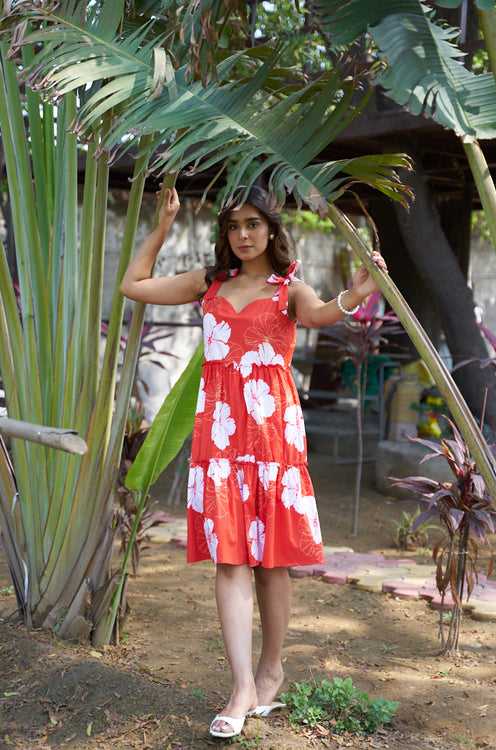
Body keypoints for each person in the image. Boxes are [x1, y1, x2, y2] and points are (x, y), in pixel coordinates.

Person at [120, 184, 388, 739]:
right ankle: (242, 685)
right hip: (219, 439)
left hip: (272, 438)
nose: (242, 236)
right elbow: (133, 285)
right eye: (233, 226)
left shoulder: (288, 288)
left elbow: (317, 316)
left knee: (272, 562)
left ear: (271, 228)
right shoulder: (208, 283)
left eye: (252, 225)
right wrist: (164, 224)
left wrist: (356, 292)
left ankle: (271, 671)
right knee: (231, 558)